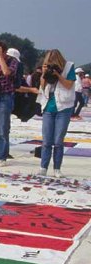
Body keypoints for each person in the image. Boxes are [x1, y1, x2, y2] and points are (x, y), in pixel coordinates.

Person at [37, 49, 77, 178]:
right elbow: (42, 87)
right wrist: (44, 74)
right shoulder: (46, 69)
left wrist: (58, 75)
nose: (50, 65)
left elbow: (69, 85)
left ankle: (57, 169)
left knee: (58, 141)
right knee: (46, 141)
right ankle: (43, 167)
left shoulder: (69, 67)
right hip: (48, 107)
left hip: (64, 107)